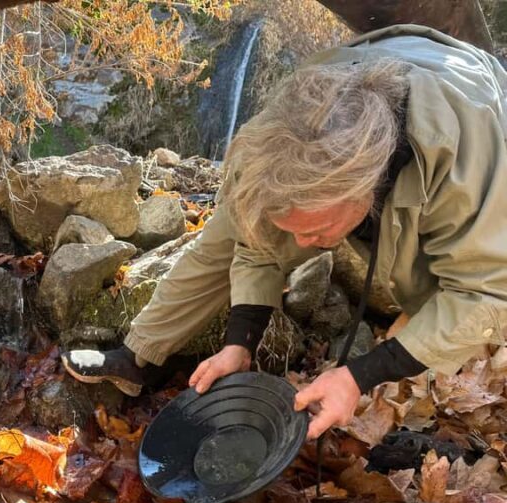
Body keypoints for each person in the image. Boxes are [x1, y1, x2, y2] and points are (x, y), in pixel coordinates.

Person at [62, 25, 507, 441]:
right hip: (358, 78)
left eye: (316, 232)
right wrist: (240, 343)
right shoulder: (276, 135)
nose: (305, 246)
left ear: (366, 193)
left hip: (468, 97)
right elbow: (256, 245)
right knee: (227, 234)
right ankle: (138, 355)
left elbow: (486, 293)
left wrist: (359, 375)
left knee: (440, 282)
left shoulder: (463, 161)